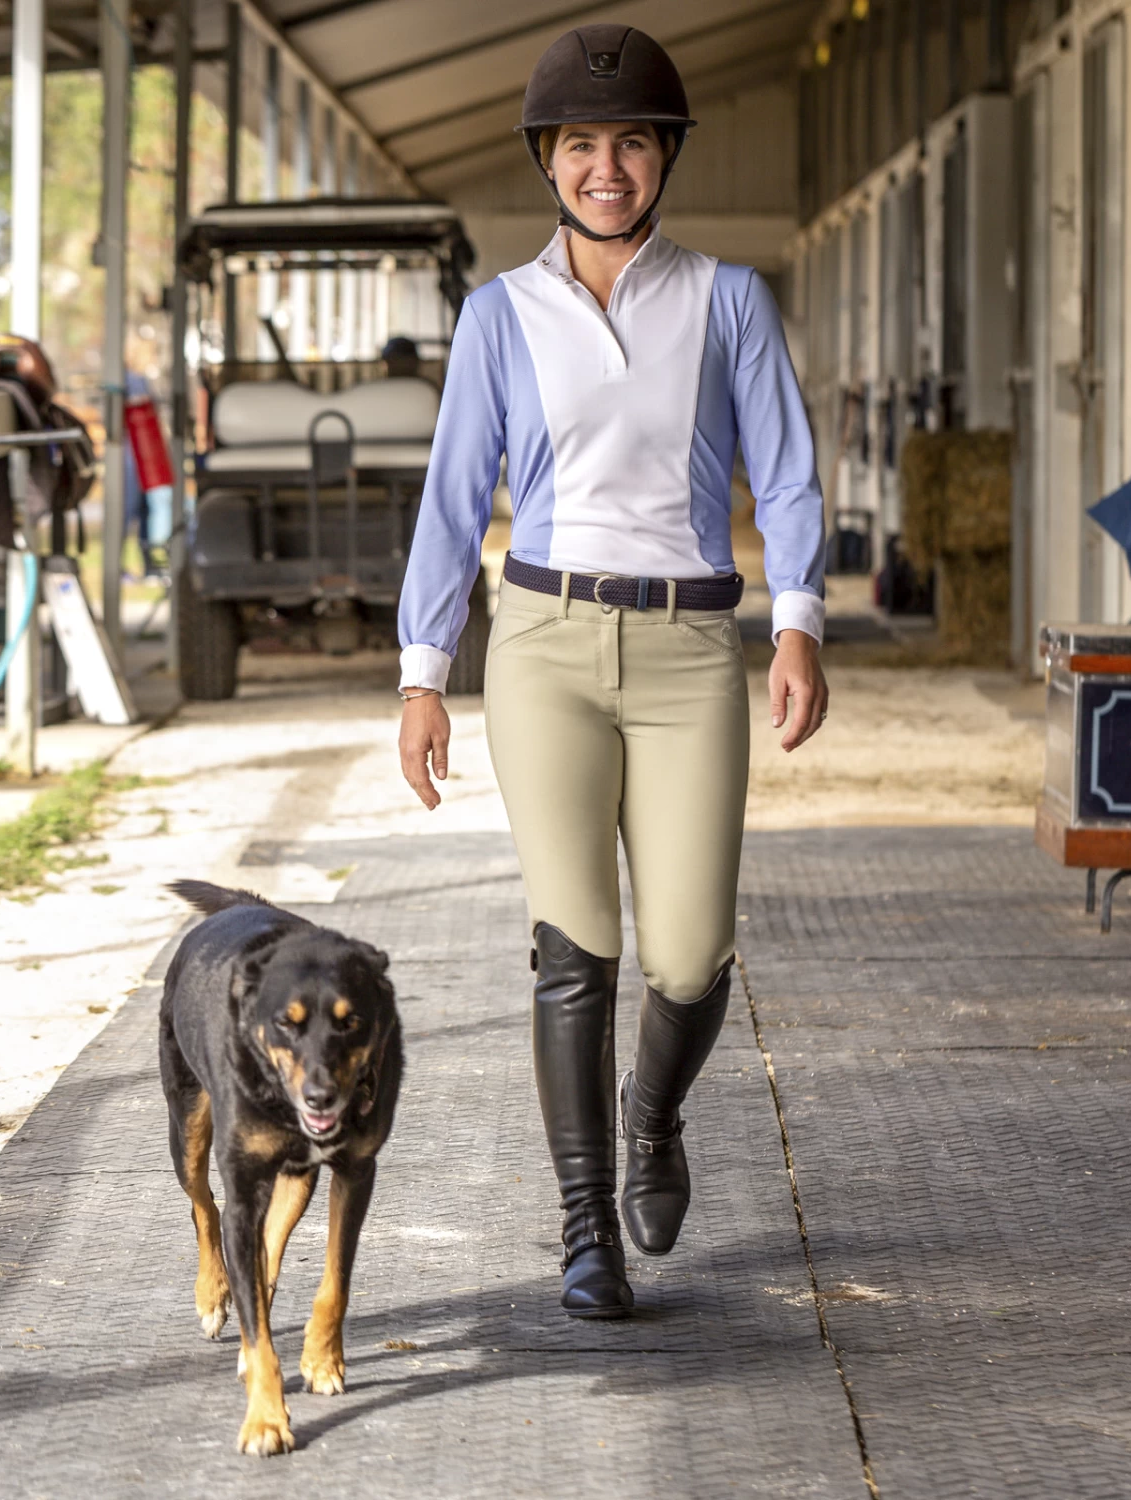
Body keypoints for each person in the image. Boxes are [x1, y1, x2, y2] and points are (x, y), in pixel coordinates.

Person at [396, 24, 829, 1319]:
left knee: (690, 953)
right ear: (547, 158)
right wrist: (425, 671)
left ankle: (652, 1116)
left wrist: (799, 621)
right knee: (574, 944)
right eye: (580, 144)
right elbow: (450, 495)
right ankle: (586, 1228)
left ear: (664, 155)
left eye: (631, 141)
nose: (606, 166)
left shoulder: (728, 300)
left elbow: (790, 470)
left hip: (694, 649)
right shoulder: (499, 316)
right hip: (542, 647)